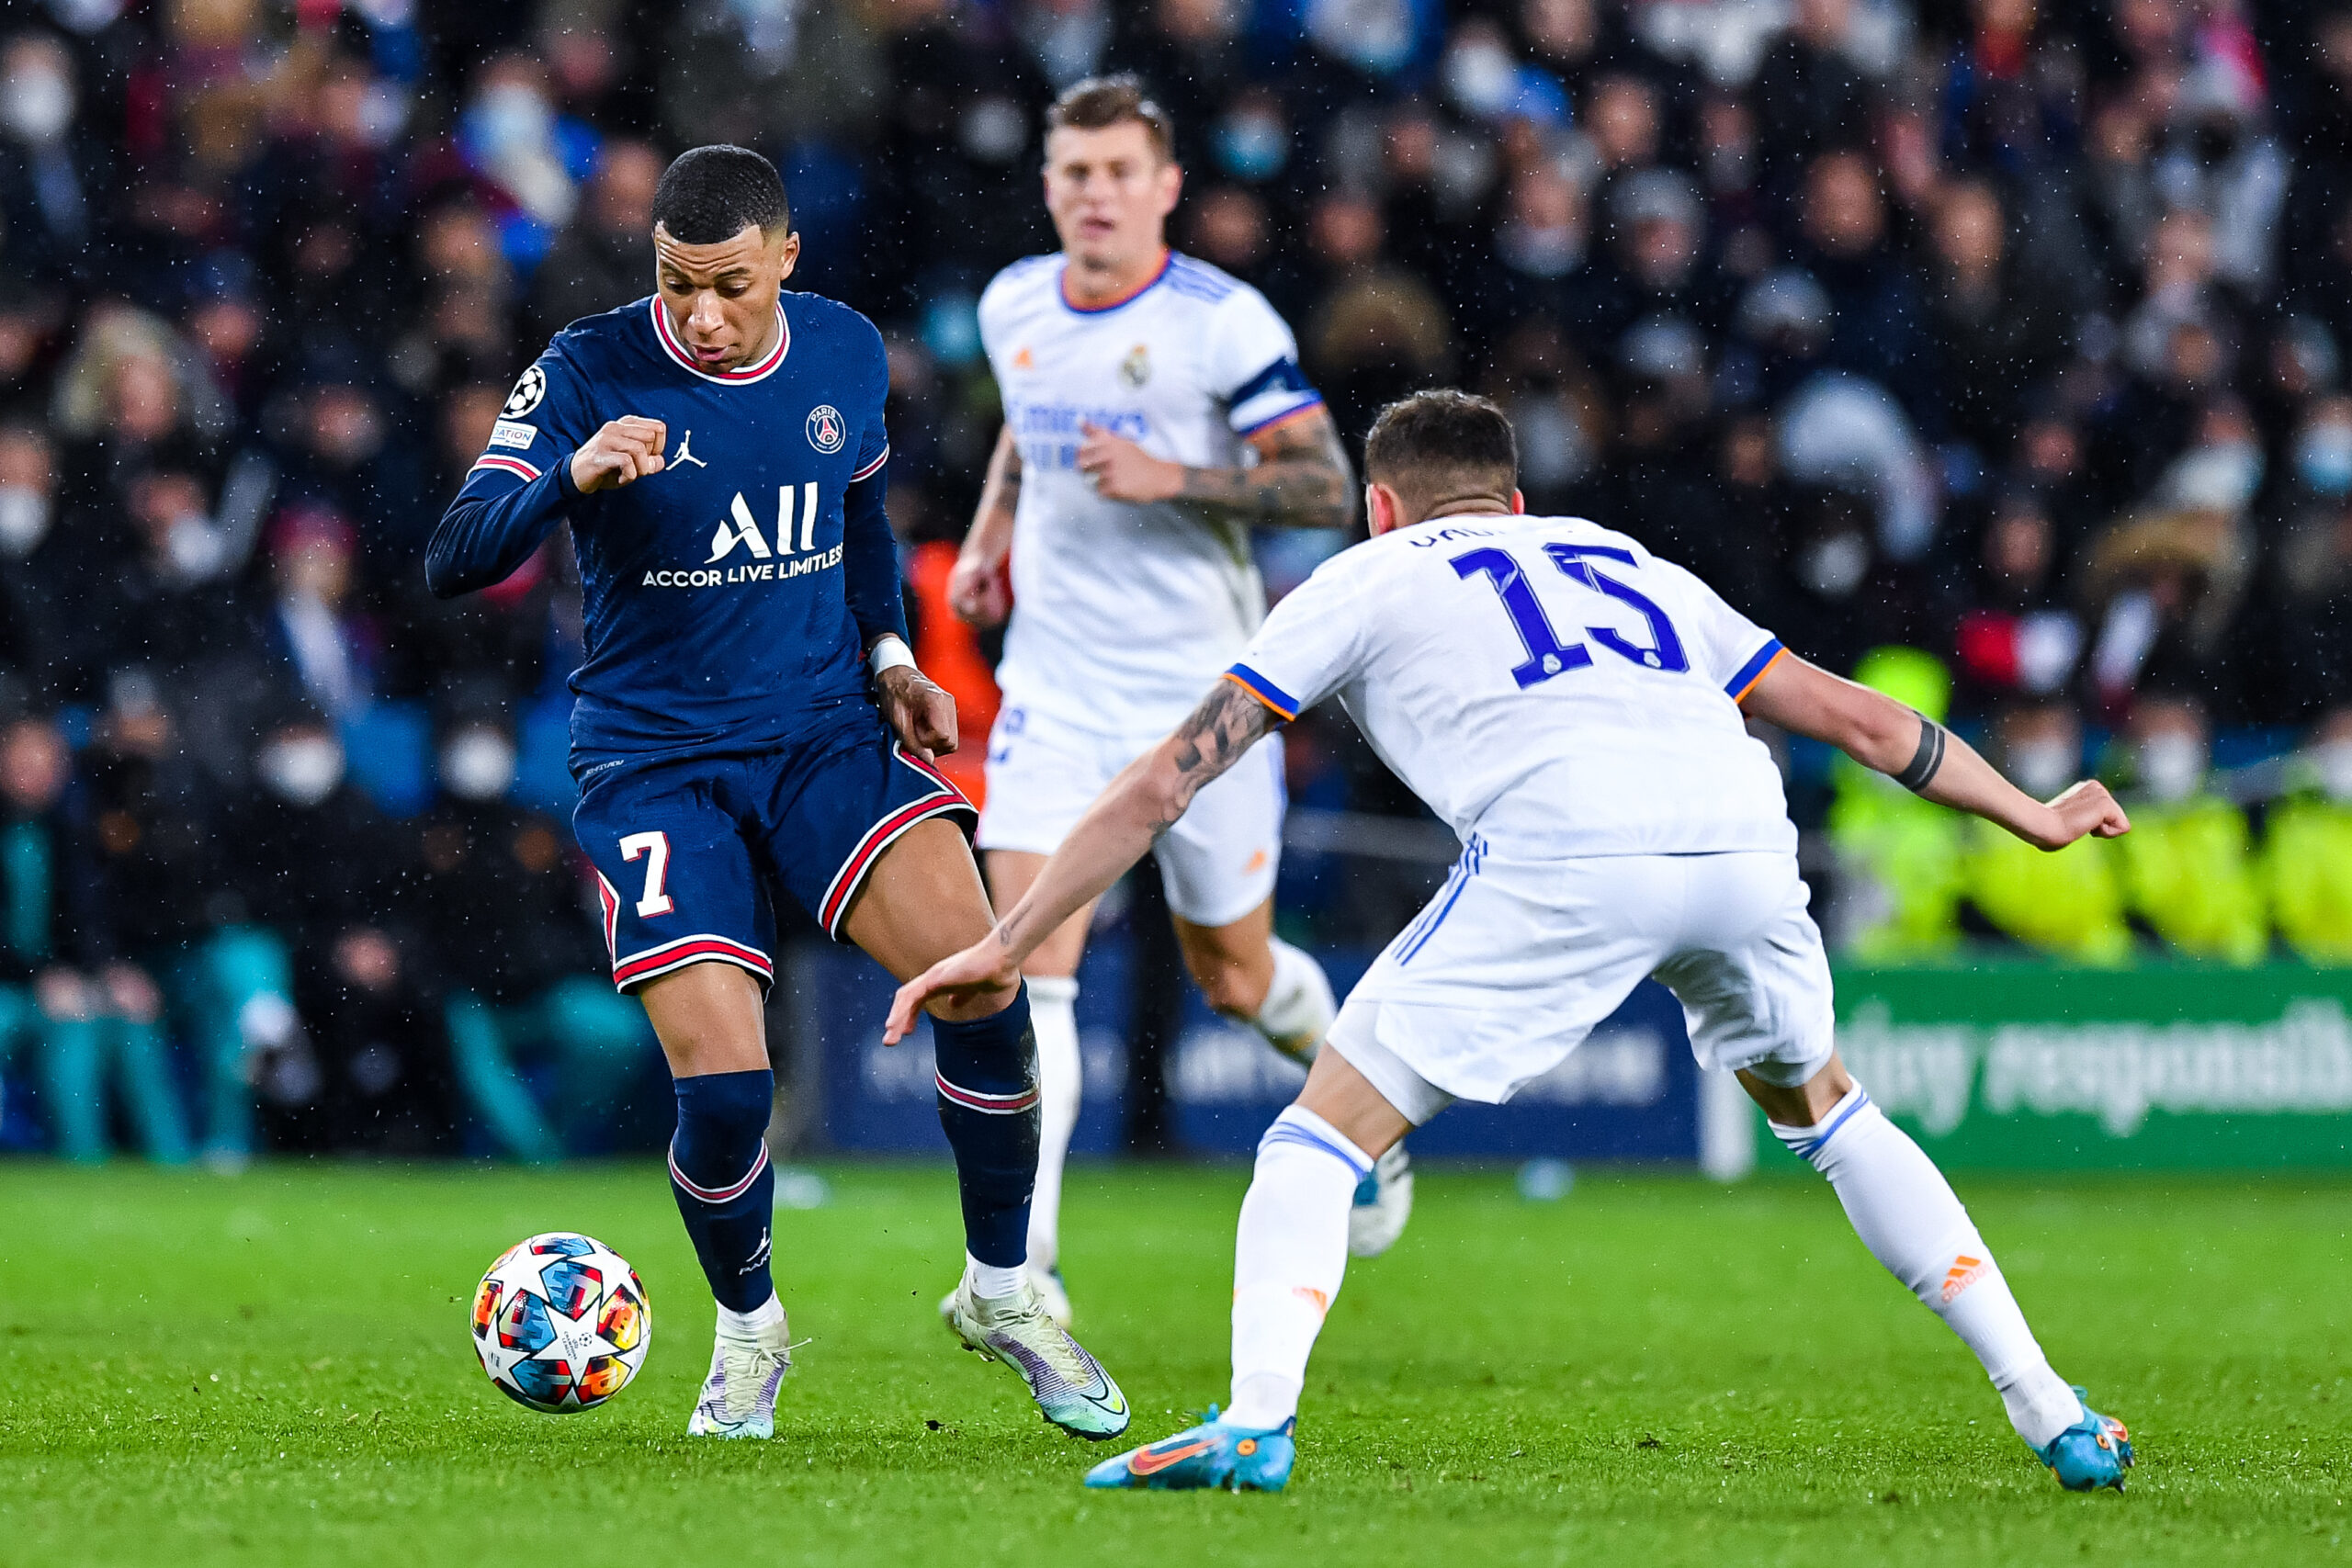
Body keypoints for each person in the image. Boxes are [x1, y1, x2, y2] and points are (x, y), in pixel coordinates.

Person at [889, 391, 2138, 1496]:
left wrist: (1009, 938)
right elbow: (1860, 719)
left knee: (1317, 1140)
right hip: (1740, 843)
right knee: (1833, 1115)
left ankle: (1256, 1421)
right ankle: (2054, 1410)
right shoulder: (1624, 559)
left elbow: (1169, 780)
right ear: (1518, 498)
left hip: (1567, 846)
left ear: (1380, 506)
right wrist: (2032, 811)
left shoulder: (1364, 579)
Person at [426, 145, 1127, 1444]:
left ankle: (1001, 1290)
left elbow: (858, 522)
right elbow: (452, 552)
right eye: (678, 284)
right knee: (729, 1089)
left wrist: (894, 655)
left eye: (729, 286)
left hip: (822, 731)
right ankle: (750, 1333)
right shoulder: (584, 368)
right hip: (654, 757)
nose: (699, 314)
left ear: (787, 260)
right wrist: (566, 478)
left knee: (984, 982)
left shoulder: (845, 352)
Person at [952, 76, 1394, 1325]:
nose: (1093, 194)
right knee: (1030, 958)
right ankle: (1020, 1273)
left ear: (1165, 189)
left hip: (1209, 699)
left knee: (1235, 977)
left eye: (1116, 174)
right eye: (1073, 173)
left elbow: (1323, 482)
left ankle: (1363, 1101)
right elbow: (1025, 434)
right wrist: (992, 535)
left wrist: (1173, 477)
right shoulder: (1012, 305)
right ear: (1049, 185)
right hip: (1054, 683)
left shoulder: (1222, 323)